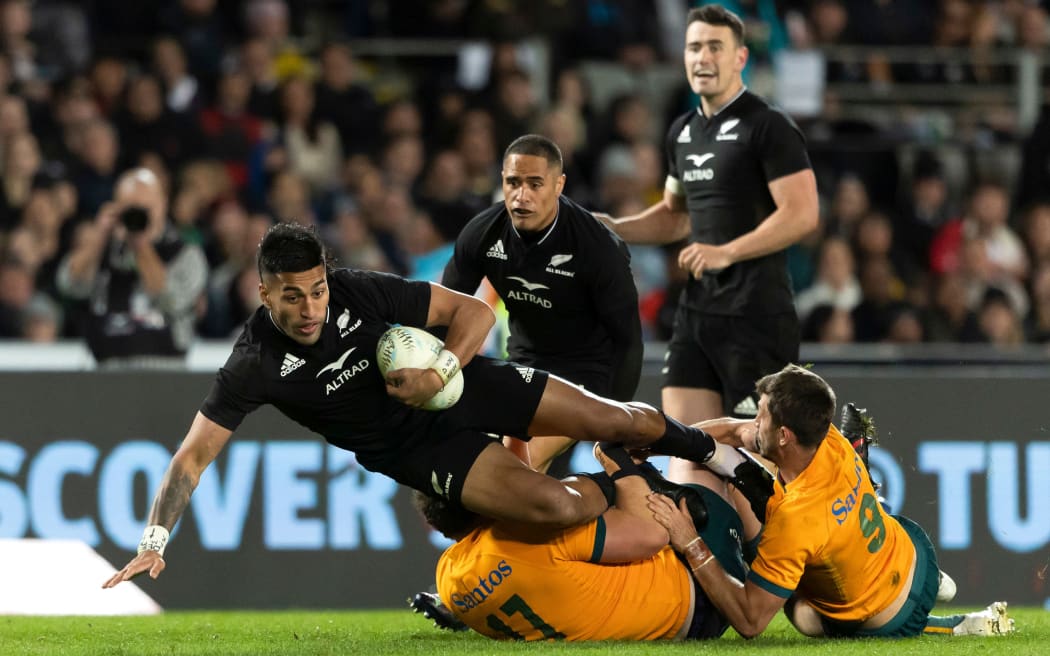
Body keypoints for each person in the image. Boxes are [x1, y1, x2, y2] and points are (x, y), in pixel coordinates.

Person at [102, 222, 763, 589]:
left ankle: (713, 454)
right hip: (421, 449)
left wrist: (444, 368)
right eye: (292, 297)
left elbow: (472, 310)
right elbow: (192, 457)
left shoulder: (359, 292)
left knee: (614, 415)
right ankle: (626, 481)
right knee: (553, 506)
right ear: (263, 291)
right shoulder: (254, 365)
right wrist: (154, 539)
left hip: (468, 383)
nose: (310, 309)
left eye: (316, 291)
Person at [596, 5, 819, 484]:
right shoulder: (682, 132)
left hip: (756, 313)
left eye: (715, 47)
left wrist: (726, 251)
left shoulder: (768, 126)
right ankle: (703, 549)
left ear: (740, 57)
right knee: (690, 450)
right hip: (698, 312)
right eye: (694, 46)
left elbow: (803, 213)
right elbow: (676, 218)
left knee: (763, 462)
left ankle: (772, 557)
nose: (702, 56)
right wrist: (612, 225)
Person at [647, 364, 1015, 639]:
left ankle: (955, 627)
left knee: (804, 616)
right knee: (760, 488)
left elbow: (750, 621)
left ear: (786, 436)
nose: (754, 421)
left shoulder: (797, 521)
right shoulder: (826, 437)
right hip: (913, 552)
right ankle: (929, 576)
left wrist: (691, 543)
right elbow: (734, 430)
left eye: (761, 415)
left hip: (890, 612)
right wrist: (665, 441)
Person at [442, 134, 642, 473]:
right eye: (513, 183)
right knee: (484, 466)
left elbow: (628, 341)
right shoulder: (483, 233)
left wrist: (615, 423)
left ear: (559, 185)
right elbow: (445, 308)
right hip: (524, 361)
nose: (522, 196)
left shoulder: (597, 248)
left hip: (588, 371)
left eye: (536, 184)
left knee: (517, 469)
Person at [419, 443, 748, 641]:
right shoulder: (527, 535)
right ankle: (777, 556)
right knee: (699, 460)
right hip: (702, 593)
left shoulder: (449, 580)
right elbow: (652, 534)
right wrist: (614, 460)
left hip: (674, 621)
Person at [55, 167, 208, 368]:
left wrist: (140, 245)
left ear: (163, 204)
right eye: (130, 209)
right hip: (106, 371)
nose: (138, 217)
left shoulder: (185, 253)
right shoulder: (103, 250)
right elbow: (69, 284)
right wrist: (99, 236)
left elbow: (171, 298)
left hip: (165, 370)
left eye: (145, 209)